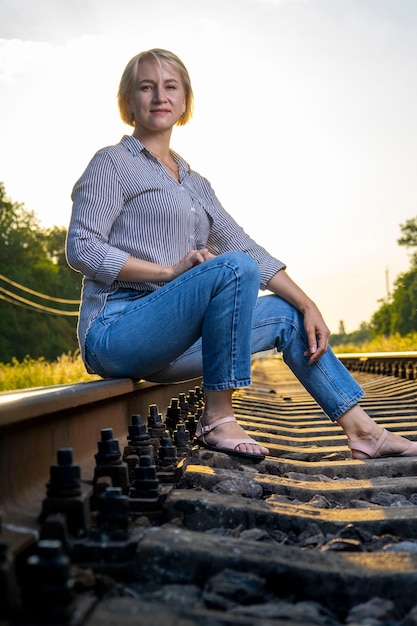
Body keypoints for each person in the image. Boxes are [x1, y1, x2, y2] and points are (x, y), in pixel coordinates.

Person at [66, 48, 417, 461]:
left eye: (170, 87)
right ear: (129, 101)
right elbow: (82, 247)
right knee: (232, 269)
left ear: (183, 102)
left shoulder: (195, 183)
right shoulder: (112, 163)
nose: (159, 95)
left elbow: (246, 247)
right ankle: (218, 419)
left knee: (286, 315)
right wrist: (168, 271)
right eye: (146, 87)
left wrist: (308, 304)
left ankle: (364, 432)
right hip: (115, 329)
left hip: (169, 344)